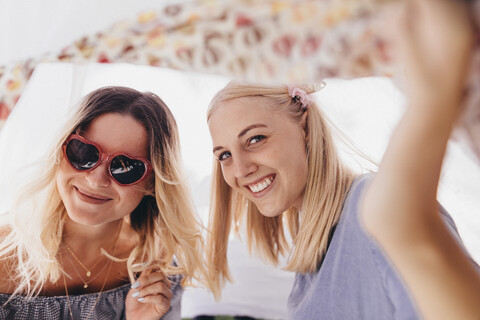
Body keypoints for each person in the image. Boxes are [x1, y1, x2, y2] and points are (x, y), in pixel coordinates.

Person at [205, 0, 480, 319]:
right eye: (224, 155)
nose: (240, 169)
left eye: (256, 139)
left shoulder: (373, 209)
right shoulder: (310, 262)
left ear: (304, 125)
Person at [0, 86, 214, 319]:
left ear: (153, 183)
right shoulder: (4, 254)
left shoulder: (157, 270)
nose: (96, 179)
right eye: (83, 153)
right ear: (60, 151)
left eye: (125, 168)